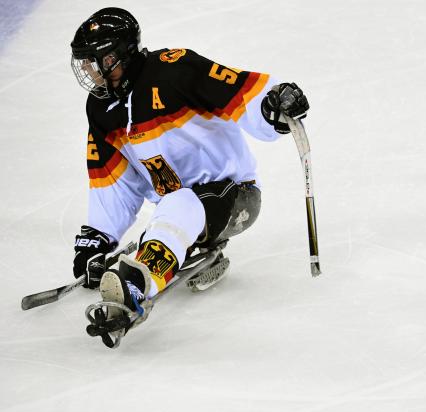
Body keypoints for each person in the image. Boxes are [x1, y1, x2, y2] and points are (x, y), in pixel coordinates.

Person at [69, 7, 309, 345]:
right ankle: (166, 249)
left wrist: (272, 107)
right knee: (178, 203)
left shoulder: (174, 69)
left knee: (183, 202)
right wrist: (99, 236)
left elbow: (237, 90)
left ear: (118, 55)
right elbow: (115, 179)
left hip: (235, 196)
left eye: (96, 61)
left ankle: (140, 281)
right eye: (85, 64)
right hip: (178, 205)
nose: (90, 73)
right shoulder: (100, 109)